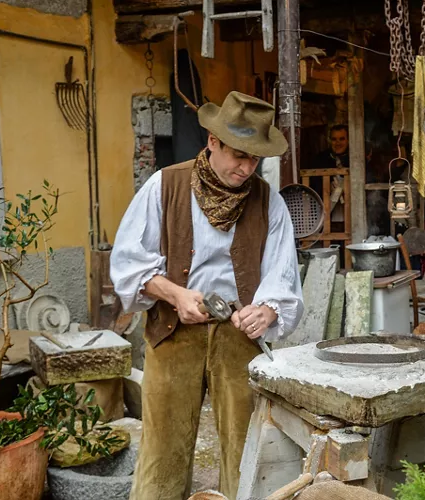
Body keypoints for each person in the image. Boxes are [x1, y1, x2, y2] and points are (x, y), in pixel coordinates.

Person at [111, 91, 304, 500]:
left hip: (239, 335)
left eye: (254, 159)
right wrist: (174, 293)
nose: (245, 167)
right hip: (172, 330)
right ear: (212, 142)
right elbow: (128, 265)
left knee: (245, 447)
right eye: (238, 154)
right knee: (163, 450)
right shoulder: (164, 186)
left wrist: (267, 312)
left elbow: (282, 275)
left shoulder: (269, 201)